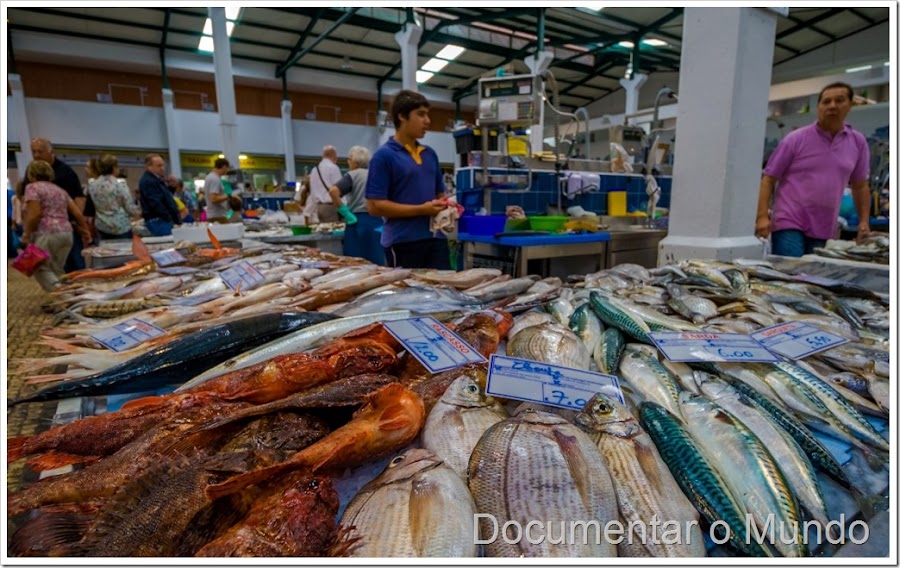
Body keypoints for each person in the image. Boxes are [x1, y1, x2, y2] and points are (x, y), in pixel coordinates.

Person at [755, 82, 871, 257]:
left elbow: (860, 186)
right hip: (789, 222)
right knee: (790, 276)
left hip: (825, 227)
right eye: (826, 102)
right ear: (818, 107)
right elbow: (768, 178)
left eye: (839, 100)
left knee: (814, 277)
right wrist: (762, 217)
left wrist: (864, 221)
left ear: (849, 105)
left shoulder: (857, 142)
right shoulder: (795, 139)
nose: (832, 106)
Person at [366, 90, 450, 269]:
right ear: (402, 116)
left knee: (442, 293)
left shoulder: (430, 154)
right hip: (403, 242)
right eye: (420, 114)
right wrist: (422, 209)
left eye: (427, 115)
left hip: (436, 239)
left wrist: (446, 204)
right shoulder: (384, 156)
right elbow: (374, 206)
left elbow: (440, 193)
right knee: (410, 295)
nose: (427, 121)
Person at [19, 160, 91, 291]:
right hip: (66, 234)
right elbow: (77, 213)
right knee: (57, 269)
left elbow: (34, 214)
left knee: (40, 268)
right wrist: (85, 231)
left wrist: (26, 234)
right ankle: (59, 303)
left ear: (31, 174)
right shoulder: (60, 190)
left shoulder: (32, 187)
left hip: (46, 233)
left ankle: (64, 298)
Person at [30, 137, 88, 271]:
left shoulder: (66, 172)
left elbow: (79, 198)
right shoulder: (31, 173)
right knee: (52, 267)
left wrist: (78, 224)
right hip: (47, 231)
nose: (36, 155)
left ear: (51, 152)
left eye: (40, 151)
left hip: (66, 227)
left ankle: (69, 290)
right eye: (34, 151)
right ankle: (63, 290)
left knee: (71, 265)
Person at [328, 145, 383, 264]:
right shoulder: (377, 174)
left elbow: (333, 191)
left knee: (355, 264)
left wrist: (344, 211)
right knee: (377, 262)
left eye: (349, 160)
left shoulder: (352, 175)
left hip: (357, 221)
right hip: (377, 221)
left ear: (354, 161)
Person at [88, 154, 141, 240]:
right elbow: (130, 208)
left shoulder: (92, 186)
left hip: (102, 226)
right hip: (120, 226)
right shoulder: (120, 185)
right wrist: (139, 211)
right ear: (113, 167)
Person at [138, 153, 181, 236]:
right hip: (159, 221)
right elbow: (155, 202)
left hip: (162, 220)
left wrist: (171, 188)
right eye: (159, 166)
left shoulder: (157, 180)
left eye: (163, 165)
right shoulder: (149, 181)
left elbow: (164, 198)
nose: (162, 168)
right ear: (149, 166)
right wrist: (168, 217)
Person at [303, 145, 344, 224]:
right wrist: (345, 208)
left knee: (325, 232)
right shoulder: (333, 168)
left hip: (319, 208)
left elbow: (313, 194)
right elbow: (339, 189)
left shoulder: (314, 170)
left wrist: (307, 212)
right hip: (332, 207)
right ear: (334, 156)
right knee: (335, 233)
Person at [204, 158, 232, 223]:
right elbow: (213, 198)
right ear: (224, 166)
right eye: (227, 168)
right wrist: (229, 196)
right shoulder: (215, 179)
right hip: (217, 216)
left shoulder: (210, 177)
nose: (227, 170)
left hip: (214, 215)